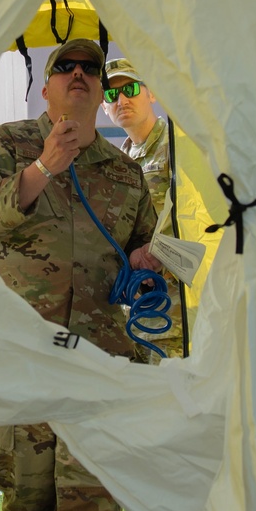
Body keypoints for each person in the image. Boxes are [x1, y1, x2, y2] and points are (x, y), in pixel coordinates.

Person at [0, 39, 160, 511]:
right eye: (64, 66)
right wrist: (43, 167)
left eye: (90, 68)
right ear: (45, 88)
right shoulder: (9, 144)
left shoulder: (125, 174)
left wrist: (142, 266)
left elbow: (137, 248)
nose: (79, 72)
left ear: (99, 91)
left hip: (95, 370)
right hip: (22, 370)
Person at [102, 58, 185, 361]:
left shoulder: (177, 146)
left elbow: (202, 217)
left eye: (131, 88)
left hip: (177, 313)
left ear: (151, 93)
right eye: (111, 95)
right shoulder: (118, 163)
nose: (122, 100)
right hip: (135, 315)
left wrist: (159, 249)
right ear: (103, 106)